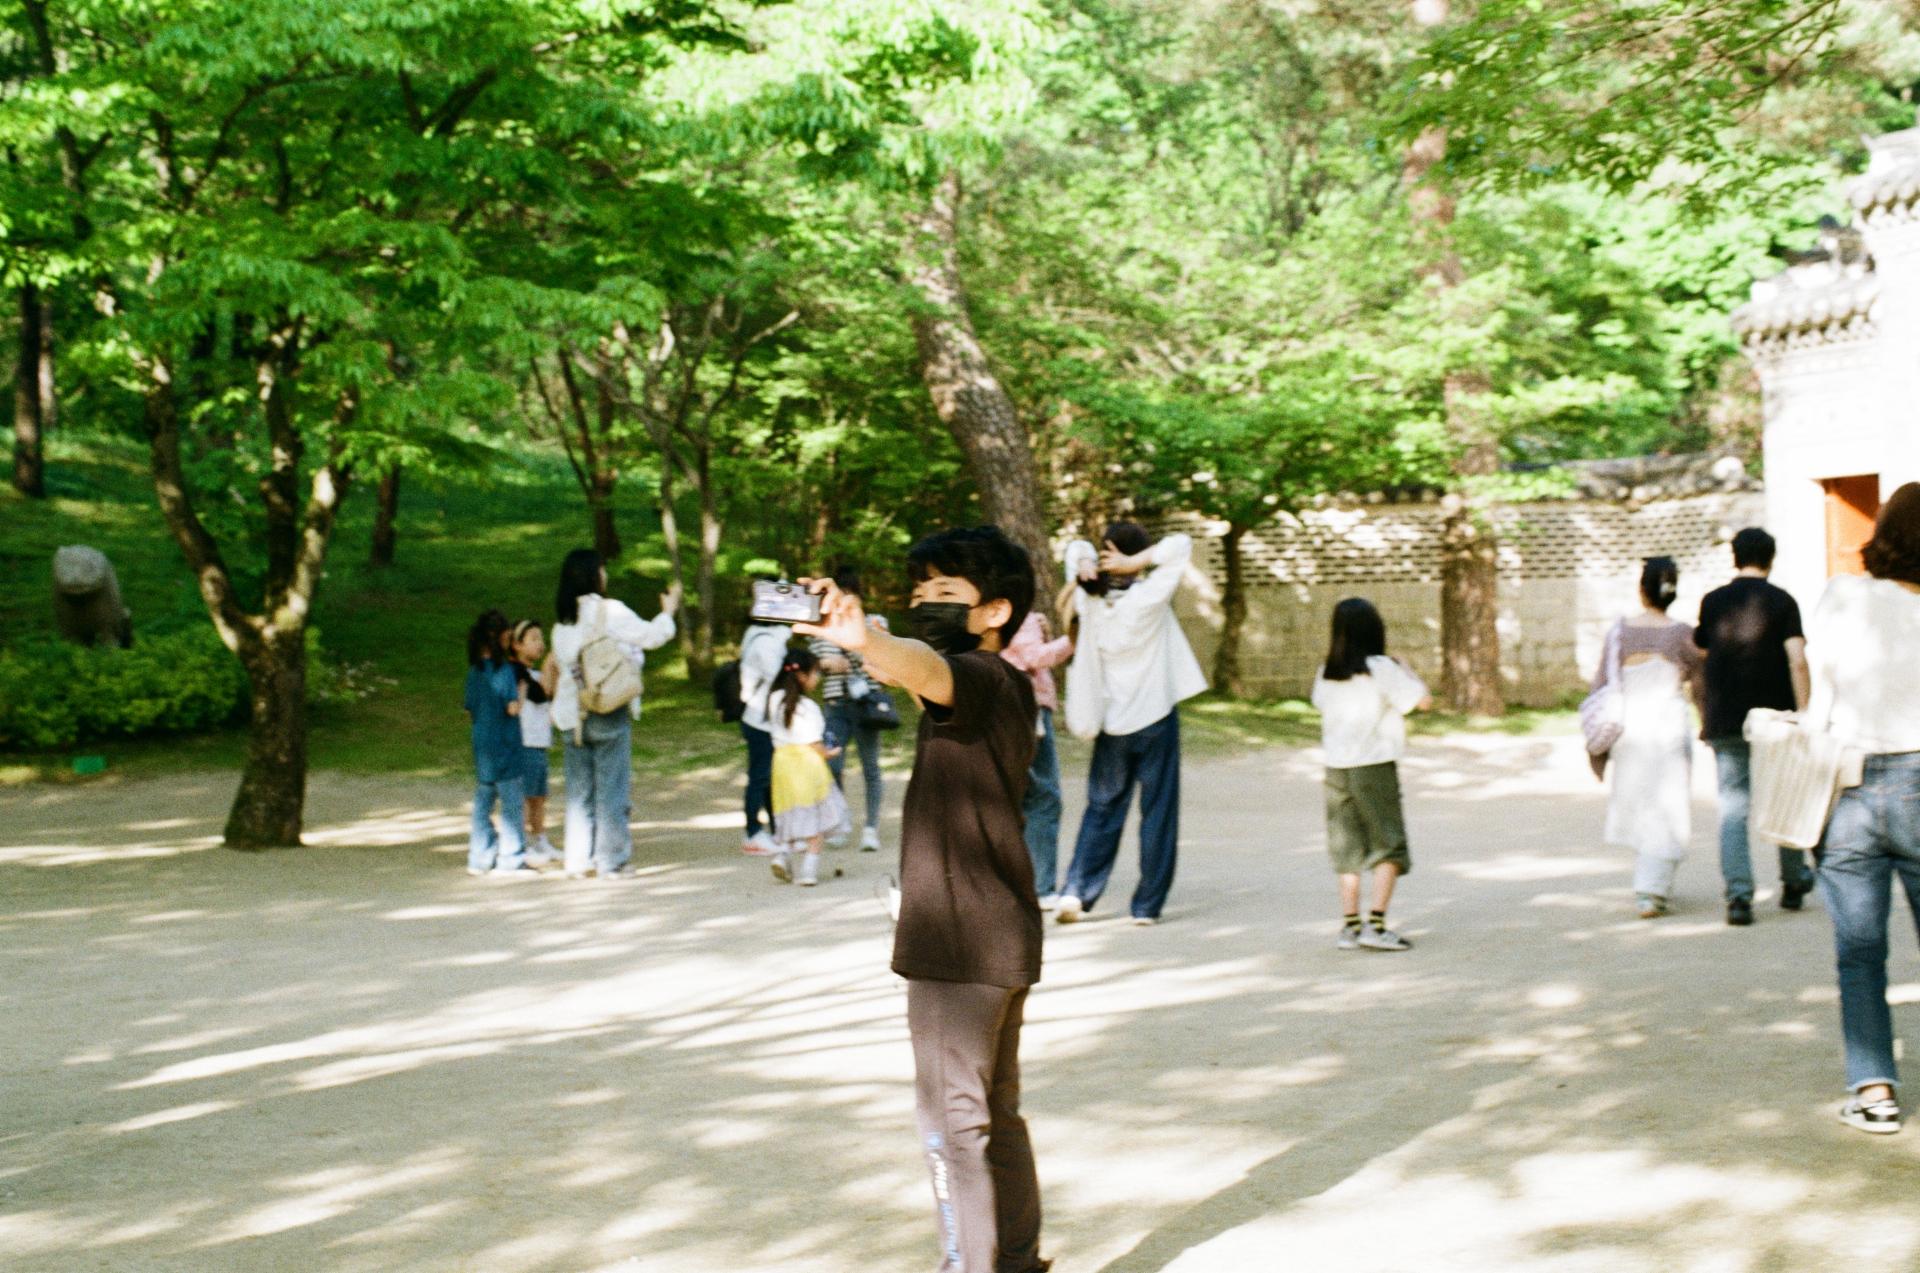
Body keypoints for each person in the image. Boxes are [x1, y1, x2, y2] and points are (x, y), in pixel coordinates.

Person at [795, 525, 1049, 1273]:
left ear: (994, 609)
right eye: (920, 591)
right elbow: (918, 670)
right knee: (993, 1116)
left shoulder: (977, 676)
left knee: (950, 1126)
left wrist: (864, 637)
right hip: (998, 936)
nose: (926, 602)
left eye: (947, 591)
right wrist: (867, 632)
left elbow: (925, 665)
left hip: (959, 943)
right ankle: (1017, 1260)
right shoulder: (996, 689)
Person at [1804, 483, 1920, 1135]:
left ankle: (1875, 1090)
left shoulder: (1843, 595)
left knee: (1859, 949)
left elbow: (1817, 687)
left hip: (1848, 780)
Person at [1055, 521, 1208, 927]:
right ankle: (1147, 906)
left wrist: (1089, 560)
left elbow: (1074, 549)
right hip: (1156, 716)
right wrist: (1134, 562)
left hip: (1113, 723)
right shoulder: (1148, 598)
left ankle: (1077, 891)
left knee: (1102, 809)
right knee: (1158, 811)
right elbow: (1180, 546)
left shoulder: (1089, 601)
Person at [1694, 528, 1814, 926]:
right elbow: (1797, 659)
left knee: (1733, 806)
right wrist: (1804, 711)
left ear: (1734, 556)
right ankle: (1794, 882)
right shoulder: (1783, 602)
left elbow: (1703, 655)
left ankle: (1740, 898)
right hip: (1776, 719)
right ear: (1771, 557)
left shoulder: (1712, 602)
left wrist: (1702, 709)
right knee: (1785, 795)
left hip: (1726, 716)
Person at [550, 549, 678, 880]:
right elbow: (652, 637)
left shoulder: (562, 624)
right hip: (607, 707)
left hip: (572, 713)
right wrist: (668, 612)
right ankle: (610, 859)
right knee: (611, 788)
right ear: (594, 575)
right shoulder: (609, 611)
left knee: (579, 794)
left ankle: (578, 860)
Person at [1311, 598, 1430, 951]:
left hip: (1336, 767)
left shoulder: (1326, 670)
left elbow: (1319, 703)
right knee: (1388, 844)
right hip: (1374, 765)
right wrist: (1407, 669)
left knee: (1347, 848)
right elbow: (1421, 701)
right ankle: (1376, 925)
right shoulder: (1382, 668)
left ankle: (1350, 925)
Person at [1592, 557, 1704, 919]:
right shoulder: (1684, 633)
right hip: (1669, 723)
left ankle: (1650, 884)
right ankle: (1652, 888)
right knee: (1668, 804)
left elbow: (1601, 685)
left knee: (1639, 801)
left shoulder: (1620, 632)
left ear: (1642, 590)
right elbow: (1701, 684)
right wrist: (1706, 721)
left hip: (1630, 726)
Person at [809, 567, 888, 851]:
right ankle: (839, 823)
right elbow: (818, 663)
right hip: (836, 705)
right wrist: (827, 663)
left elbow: (880, 658)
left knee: (871, 767)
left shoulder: (875, 623)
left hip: (867, 705)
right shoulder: (822, 632)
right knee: (833, 765)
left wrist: (854, 642)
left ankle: (871, 828)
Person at [1000, 608, 1074, 907]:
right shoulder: (1018, 613)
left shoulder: (984, 606)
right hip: (1028, 707)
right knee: (1042, 796)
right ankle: (1040, 887)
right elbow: (1033, 657)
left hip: (1000, 706)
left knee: (1010, 793)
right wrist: (1073, 639)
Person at [765, 647, 851, 886]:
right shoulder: (809, 708)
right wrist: (830, 752)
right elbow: (814, 744)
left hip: (782, 764)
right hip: (807, 766)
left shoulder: (773, 700)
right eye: (815, 673)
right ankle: (808, 871)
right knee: (816, 818)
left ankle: (782, 855)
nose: (818, 679)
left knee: (789, 812)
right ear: (802, 676)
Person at [464, 609, 535, 878]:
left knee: (483, 802)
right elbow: (513, 708)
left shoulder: (474, 671)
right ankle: (512, 857)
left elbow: (469, 709)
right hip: (506, 744)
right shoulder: (504, 670)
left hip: (482, 745)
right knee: (511, 803)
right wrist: (523, 691)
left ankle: (479, 857)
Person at [737, 601, 790, 856]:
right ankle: (753, 833)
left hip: (759, 717)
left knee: (769, 777)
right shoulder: (767, 642)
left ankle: (776, 830)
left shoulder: (754, 635)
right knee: (760, 777)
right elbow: (777, 676)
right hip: (760, 719)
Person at [510, 620, 561, 868]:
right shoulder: (516, 673)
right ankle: (521, 841)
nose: (539, 643)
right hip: (524, 742)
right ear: (517, 645)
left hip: (540, 742)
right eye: (533, 638)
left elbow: (551, 691)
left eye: (542, 638)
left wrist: (553, 665)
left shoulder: (536, 674)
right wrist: (551, 660)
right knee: (524, 795)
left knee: (539, 796)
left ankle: (540, 839)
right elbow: (540, 693)